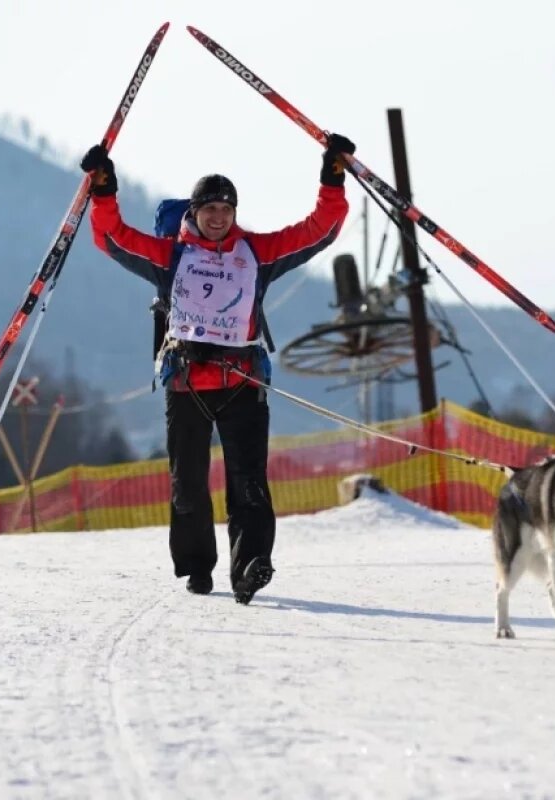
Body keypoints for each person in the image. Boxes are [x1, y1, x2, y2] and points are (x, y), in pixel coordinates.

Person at [80, 134, 355, 604]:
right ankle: (196, 566)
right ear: (194, 212)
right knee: (187, 482)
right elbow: (113, 238)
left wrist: (332, 174)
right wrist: (104, 190)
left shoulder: (257, 254)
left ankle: (250, 567)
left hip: (242, 382)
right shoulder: (171, 255)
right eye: (209, 209)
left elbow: (318, 231)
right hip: (186, 382)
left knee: (248, 480)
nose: (218, 218)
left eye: (226, 210)